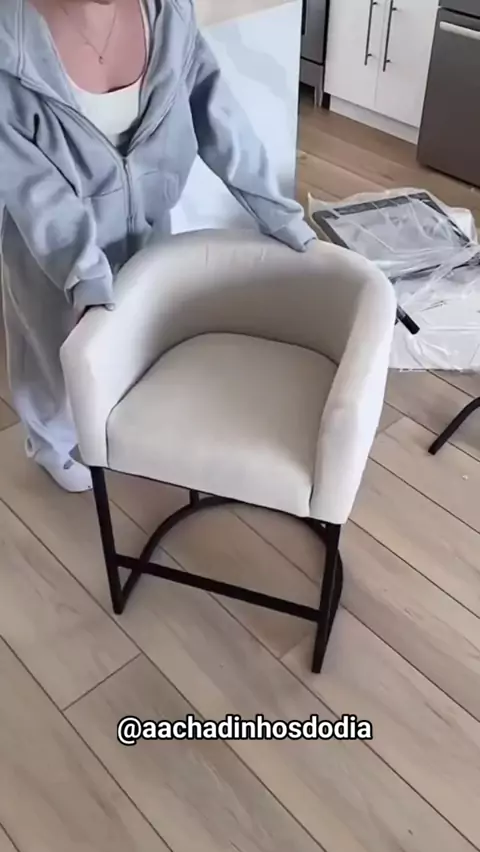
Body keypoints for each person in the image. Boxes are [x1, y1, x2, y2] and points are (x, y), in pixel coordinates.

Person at [0, 0, 317, 492]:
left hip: (148, 229)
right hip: (51, 250)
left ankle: (119, 417)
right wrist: (84, 276)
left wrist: (277, 213)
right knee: (53, 356)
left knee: (141, 334)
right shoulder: (10, 46)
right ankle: (49, 444)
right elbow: (35, 192)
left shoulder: (168, 14)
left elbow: (219, 116)